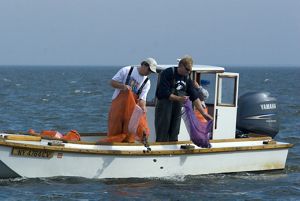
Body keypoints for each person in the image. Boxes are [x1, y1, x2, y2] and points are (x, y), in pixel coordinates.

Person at [155, 56, 213, 142]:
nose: (189, 72)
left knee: (175, 131)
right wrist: (179, 98)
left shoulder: (187, 78)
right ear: (181, 65)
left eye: (190, 70)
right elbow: (163, 92)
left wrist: (203, 114)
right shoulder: (168, 73)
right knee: (163, 130)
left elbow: (194, 96)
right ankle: (160, 149)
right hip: (164, 108)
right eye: (187, 69)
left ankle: (173, 149)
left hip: (177, 108)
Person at [106, 58, 157, 142]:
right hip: (118, 107)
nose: (149, 73)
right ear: (144, 65)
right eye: (149, 70)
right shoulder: (127, 70)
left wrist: (143, 107)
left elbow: (142, 99)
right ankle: (111, 148)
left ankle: (127, 150)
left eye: (151, 72)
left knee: (129, 133)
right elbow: (112, 82)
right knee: (114, 129)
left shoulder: (147, 82)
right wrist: (123, 86)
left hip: (131, 112)